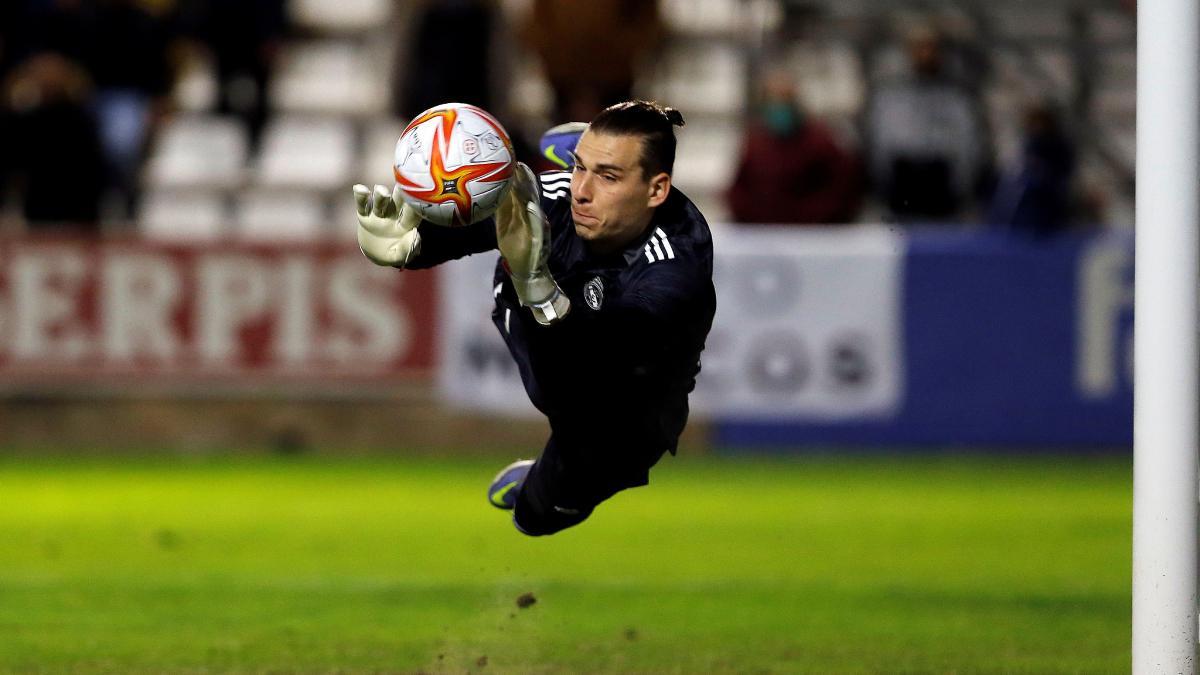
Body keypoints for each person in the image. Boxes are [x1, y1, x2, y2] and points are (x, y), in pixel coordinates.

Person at [353, 101, 716, 536]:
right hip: (536, 323)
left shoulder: (675, 273)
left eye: (608, 176)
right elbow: (490, 216)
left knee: (536, 516)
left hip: (627, 400)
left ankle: (540, 483)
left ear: (656, 191)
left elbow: (603, 356)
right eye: (580, 167)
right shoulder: (562, 193)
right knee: (527, 226)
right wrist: (413, 248)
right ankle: (580, 152)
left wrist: (539, 289)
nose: (581, 190)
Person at [726, 68, 861, 224]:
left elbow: (842, 189)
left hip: (813, 233)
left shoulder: (821, 141)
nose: (779, 107)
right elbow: (738, 190)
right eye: (774, 101)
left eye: (785, 100)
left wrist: (809, 217)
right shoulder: (755, 143)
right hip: (763, 233)